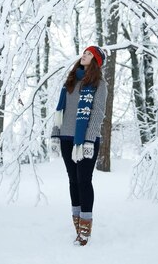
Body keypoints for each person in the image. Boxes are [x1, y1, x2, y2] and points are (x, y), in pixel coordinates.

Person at [51, 46, 108, 246]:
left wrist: (90, 139)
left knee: (84, 180)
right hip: (67, 138)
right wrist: (55, 134)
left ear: (96, 61)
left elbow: (98, 113)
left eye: (89, 54)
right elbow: (61, 110)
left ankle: (85, 227)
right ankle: (77, 222)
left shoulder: (99, 84)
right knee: (72, 180)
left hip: (84, 140)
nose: (84, 55)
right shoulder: (71, 81)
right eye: (84, 52)